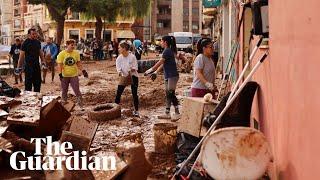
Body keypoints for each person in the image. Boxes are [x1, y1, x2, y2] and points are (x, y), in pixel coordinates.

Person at [145, 36, 180, 120]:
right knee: (168, 94)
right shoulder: (168, 51)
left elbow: (160, 62)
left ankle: (177, 112)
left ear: (165, 42)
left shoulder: (167, 51)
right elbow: (163, 64)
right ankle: (167, 113)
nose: (160, 43)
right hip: (168, 75)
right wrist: (156, 72)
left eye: (161, 41)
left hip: (172, 76)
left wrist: (150, 70)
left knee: (171, 94)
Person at [57, 39, 88, 107]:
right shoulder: (62, 54)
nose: (73, 46)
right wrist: (60, 74)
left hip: (74, 75)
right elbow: (59, 65)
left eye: (74, 45)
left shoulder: (76, 53)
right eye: (72, 45)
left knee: (76, 89)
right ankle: (63, 104)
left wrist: (83, 71)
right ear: (67, 45)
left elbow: (78, 63)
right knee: (64, 90)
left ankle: (80, 104)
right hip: (64, 75)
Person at [16, 28, 45, 92]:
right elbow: (21, 57)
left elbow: (40, 53)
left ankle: (37, 100)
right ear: (29, 34)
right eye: (33, 34)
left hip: (37, 66)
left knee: (37, 84)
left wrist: (43, 62)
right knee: (28, 86)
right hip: (28, 67)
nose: (35, 35)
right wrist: (18, 68)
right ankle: (28, 100)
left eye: (35, 34)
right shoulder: (25, 43)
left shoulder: (38, 42)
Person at [115, 42, 140, 117]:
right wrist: (119, 72)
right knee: (118, 93)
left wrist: (131, 69)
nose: (118, 49)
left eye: (120, 48)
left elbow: (136, 67)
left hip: (133, 76)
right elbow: (118, 68)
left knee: (134, 93)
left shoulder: (132, 57)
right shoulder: (119, 58)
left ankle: (136, 110)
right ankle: (115, 109)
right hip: (124, 76)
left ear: (124, 49)